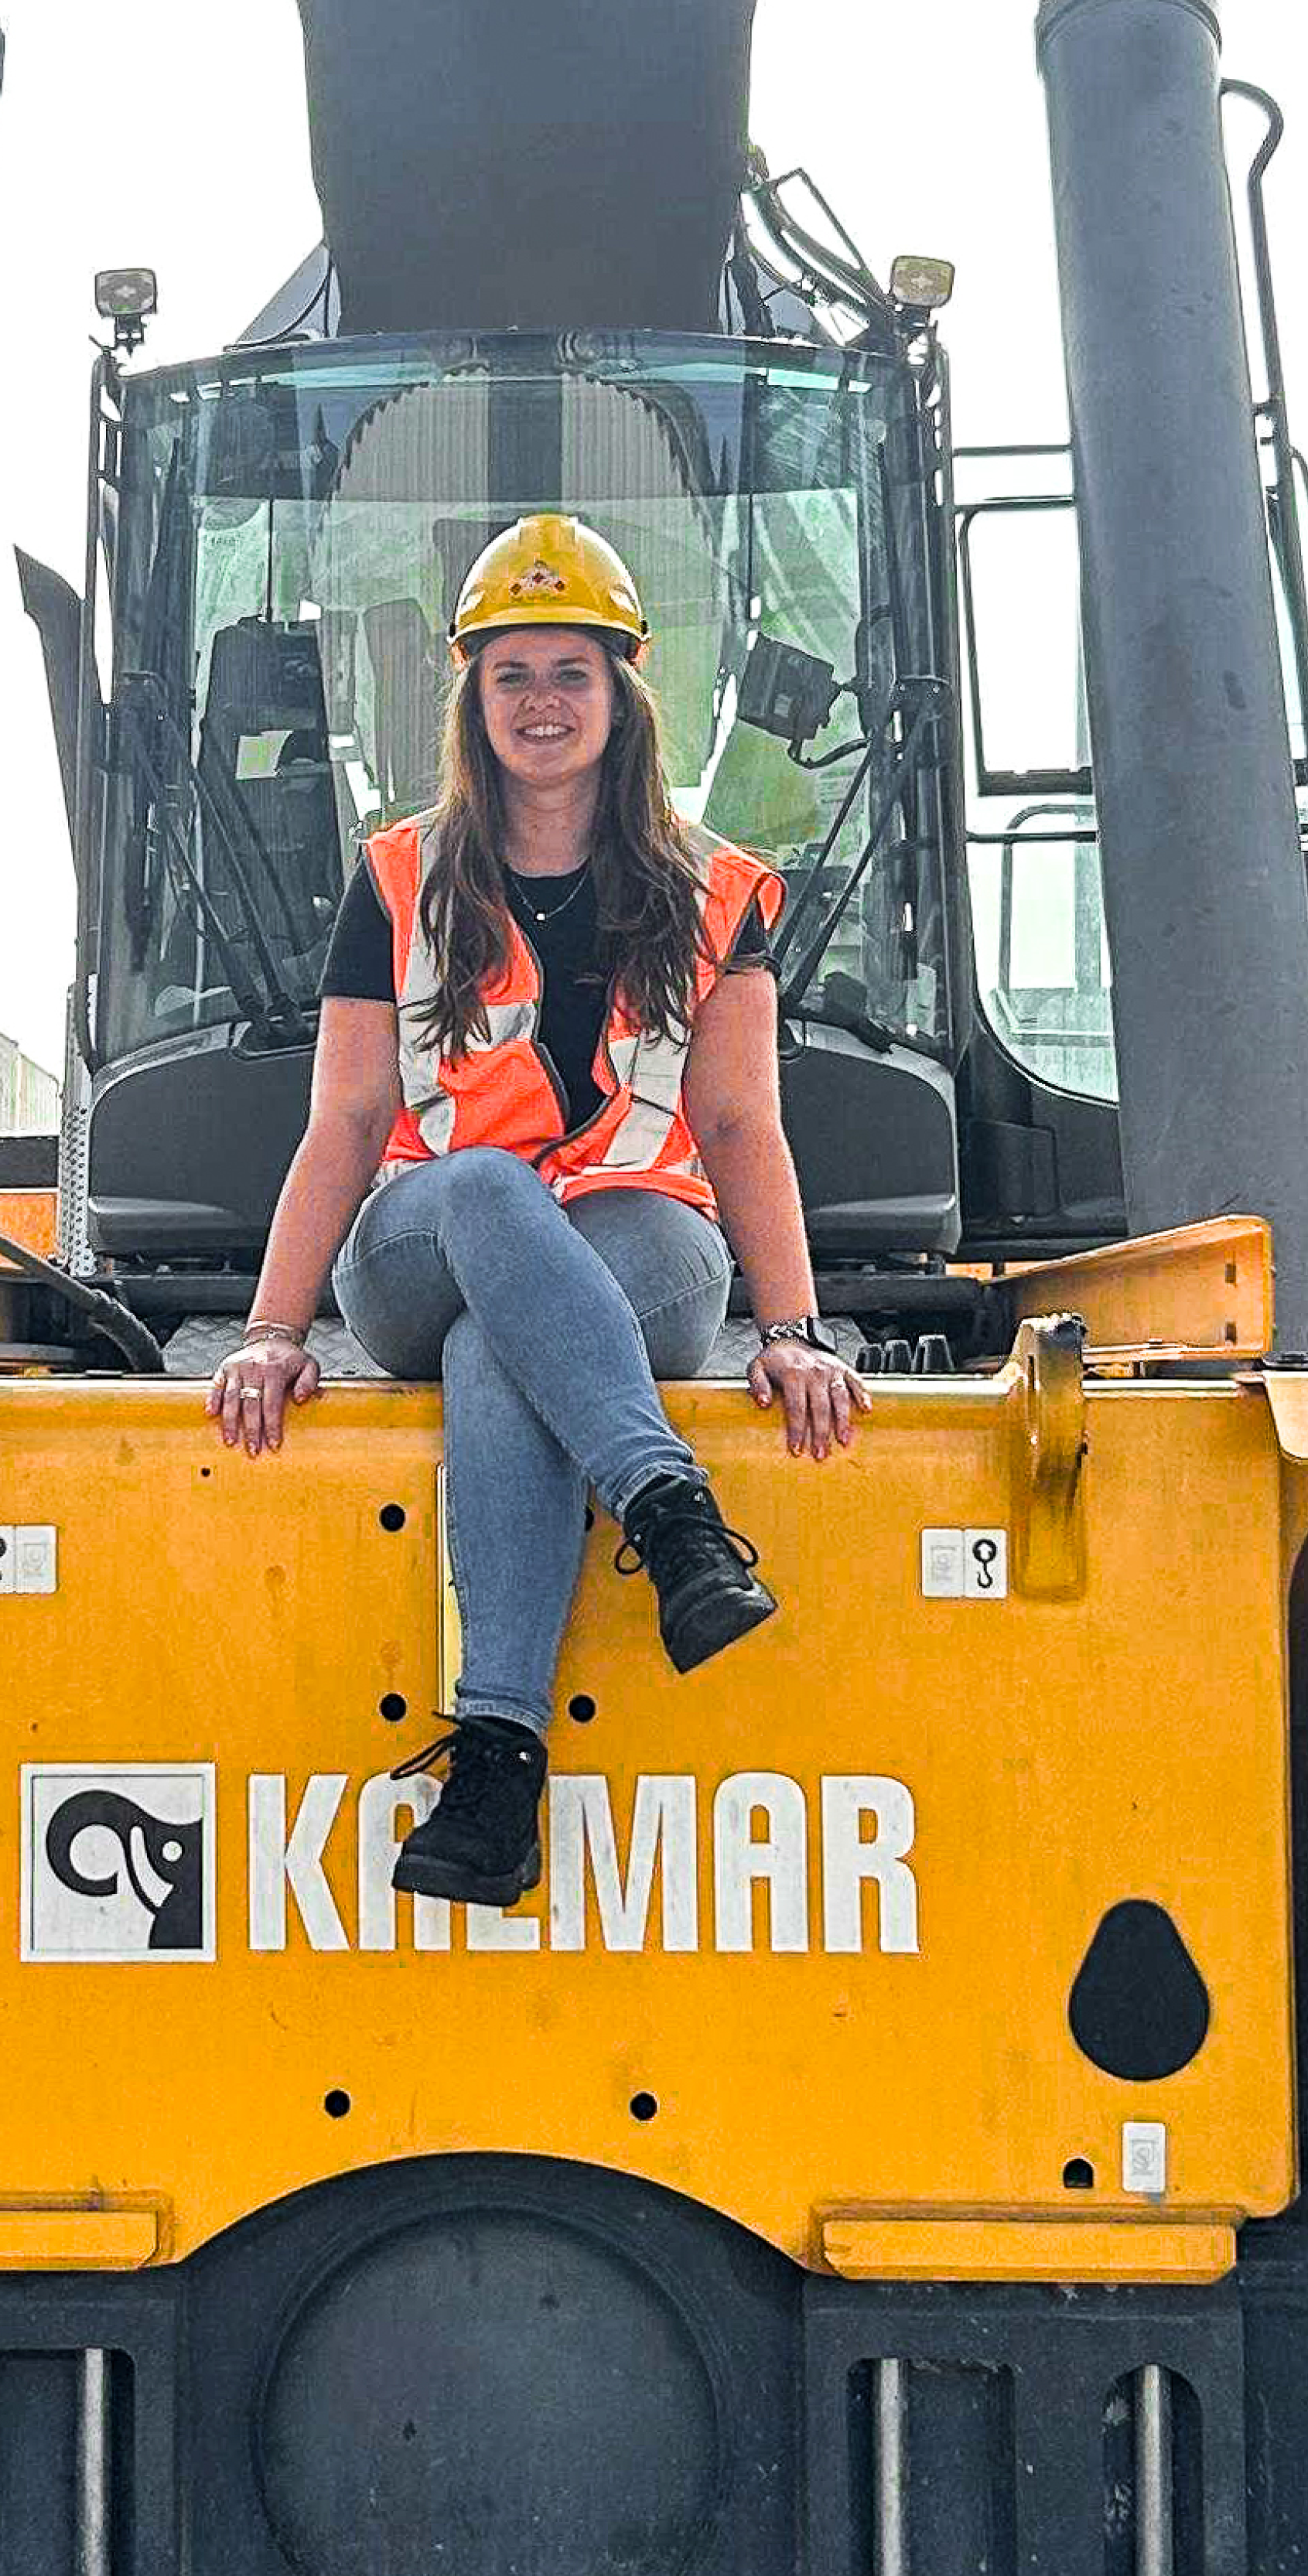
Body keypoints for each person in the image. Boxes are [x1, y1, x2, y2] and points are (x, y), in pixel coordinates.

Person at [209, 510, 866, 1913]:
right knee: (497, 1200)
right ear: (472, 696)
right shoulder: (397, 877)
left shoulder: (718, 888)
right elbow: (347, 1118)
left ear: (624, 693)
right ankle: (670, 1513)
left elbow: (742, 1122)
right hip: (423, 1246)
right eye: (512, 673)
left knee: (508, 1350)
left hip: (644, 1244)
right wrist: (272, 1328)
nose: (541, 703)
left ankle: (497, 1764)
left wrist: (795, 1325)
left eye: (572, 672)